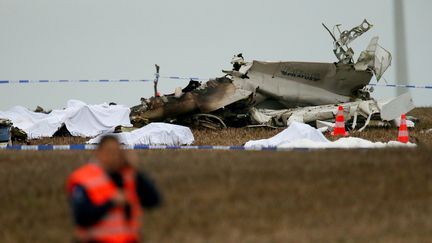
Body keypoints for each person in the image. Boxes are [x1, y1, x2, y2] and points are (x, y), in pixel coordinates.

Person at [66, 135, 161, 243]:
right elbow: (82, 217)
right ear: (98, 153)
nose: (113, 156)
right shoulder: (84, 179)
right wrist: (111, 203)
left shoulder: (129, 177)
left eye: (117, 152)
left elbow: (154, 200)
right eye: (109, 152)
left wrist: (135, 170)